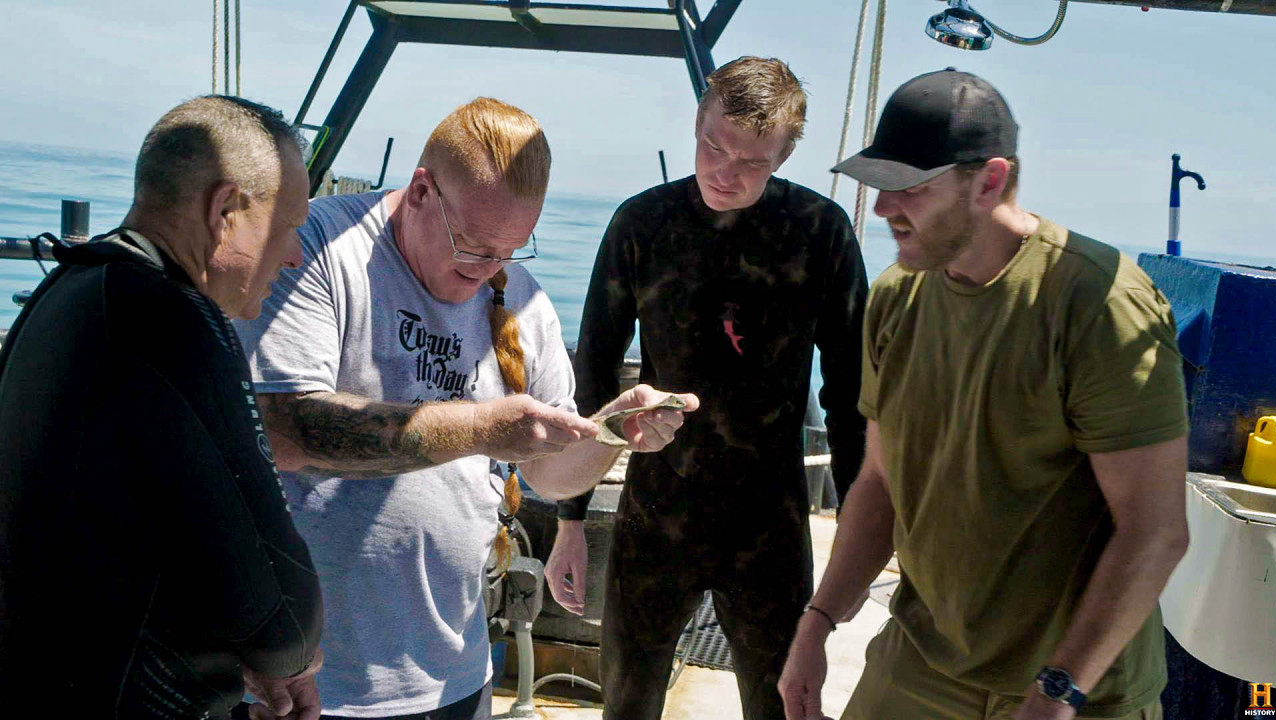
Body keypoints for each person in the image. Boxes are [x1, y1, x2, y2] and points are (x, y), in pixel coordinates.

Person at [232, 96, 697, 720]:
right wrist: (481, 427)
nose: (489, 271)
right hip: (309, 681)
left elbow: (550, 474)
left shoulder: (524, 302)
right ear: (421, 191)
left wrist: (612, 432)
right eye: (474, 246)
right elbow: (286, 432)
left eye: (511, 251)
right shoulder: (317, 246)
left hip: (453, 672)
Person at [778, 68, 1190, 720]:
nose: (883, 209)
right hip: (926, 657)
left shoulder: (1099, 303)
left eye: (907, 188)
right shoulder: (895, 299)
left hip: (1080, 685)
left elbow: (1155, 532)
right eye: (878, 187)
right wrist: (818, 622)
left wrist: (1057, 694)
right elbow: (881, 486)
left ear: (989, 180)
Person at [545, 56, 868, 720]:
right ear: (697, 120)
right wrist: (569, 523)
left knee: (784, 704)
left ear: (783, 156)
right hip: (658, 512)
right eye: (712, 147)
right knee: (628, 705)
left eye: (752, 163)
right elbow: (595, 376)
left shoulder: (821, 233)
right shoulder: (643, 225)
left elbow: (851, 396)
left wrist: (861, 544)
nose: (725, 171)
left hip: (770, 524)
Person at [0, 96, 324, 719]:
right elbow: (285, 622)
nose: (294, 257)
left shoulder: (68, 288)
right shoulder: (174, 323)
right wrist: (289, 656)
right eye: (288, 227)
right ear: (226, 210)